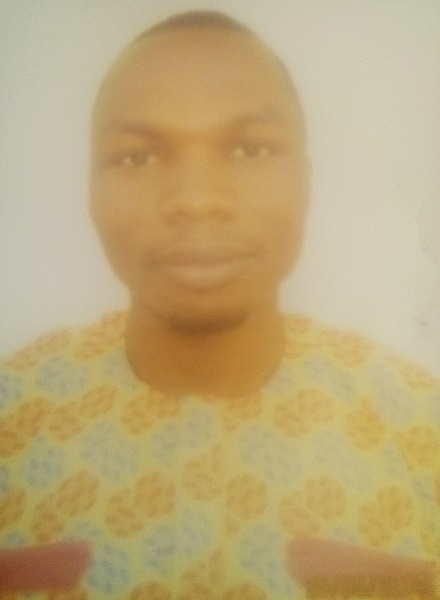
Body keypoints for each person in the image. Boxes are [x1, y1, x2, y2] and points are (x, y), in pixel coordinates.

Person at [0, 10, 439, 600]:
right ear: (89, 185)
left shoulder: (421, 431)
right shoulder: (12, 426)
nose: (197, 199)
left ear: (305, 180)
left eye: (251, 149)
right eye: (136, 156)